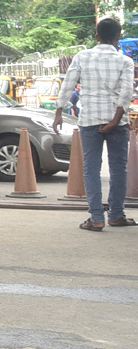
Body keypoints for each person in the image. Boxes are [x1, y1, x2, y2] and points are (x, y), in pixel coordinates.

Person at [54, 17, 136, 232]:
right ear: (118, 37)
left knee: (91, 168)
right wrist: (115, 121)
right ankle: (116, 215)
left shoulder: (82, 57)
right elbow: (127, 93)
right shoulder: (124, 61)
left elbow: (68, 84)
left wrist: (59, 111)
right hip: (116, 122)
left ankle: (97, 218)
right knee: (119, 169)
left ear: (96, 36)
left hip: (89, 119)